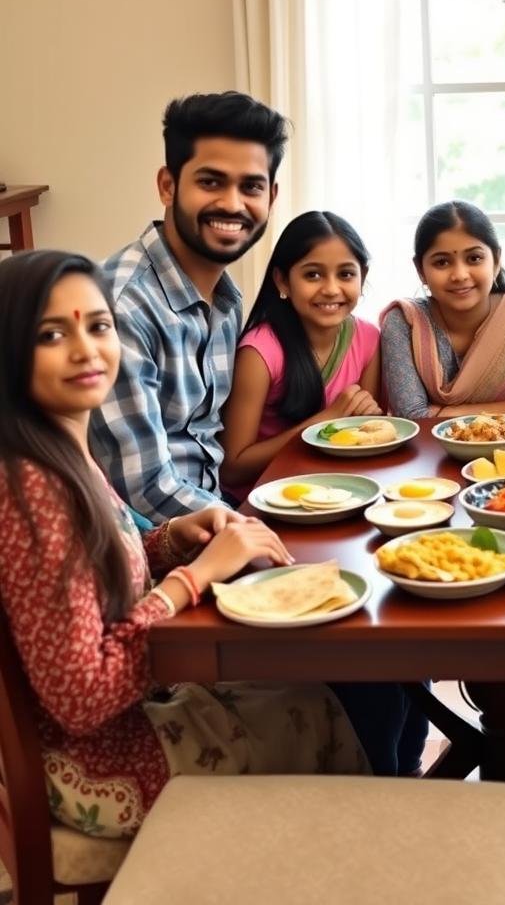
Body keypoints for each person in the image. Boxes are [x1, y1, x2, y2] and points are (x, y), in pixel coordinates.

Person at [0, 251, 368, 838]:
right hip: (95, 764)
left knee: (305, 692)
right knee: (316, 711)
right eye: (51, 334)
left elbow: (89, 570)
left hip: (117, 725)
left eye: (98, 326)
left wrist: (170, 541)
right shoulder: (32, 490)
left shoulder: (57, 450)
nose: (86, 348)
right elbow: (81, 699)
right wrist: (188, 581)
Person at [91, 91, 288, 522]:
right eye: (211, 181)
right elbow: (142, 489)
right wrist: (254, 531)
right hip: (144, 551)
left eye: (250, 186)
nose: (233, 204)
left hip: (213, 517)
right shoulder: (120, 307)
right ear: (168, 185)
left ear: (271, 198)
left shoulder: (226, 298)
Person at [220, 210, 381, 497]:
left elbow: (364, 433)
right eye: (313, 274)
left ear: (362, 276)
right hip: (262, 502)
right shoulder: (260, 352)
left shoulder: (369, 338)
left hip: (338, 491)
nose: (331, 289)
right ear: (282, 281)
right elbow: (233, 467)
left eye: (345, 274)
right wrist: (324, 423)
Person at [380, 200, 505, 419]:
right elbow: (411, 415)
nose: (460, 275)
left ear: (496, 261)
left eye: (474, 258)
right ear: (420, 270)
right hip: (431, 451)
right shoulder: (405, 322)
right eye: (442, 262)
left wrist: (440, 412)